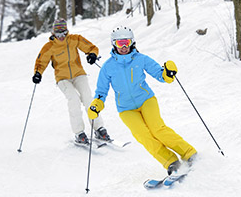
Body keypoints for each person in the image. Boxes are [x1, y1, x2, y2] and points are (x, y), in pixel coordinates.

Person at [87, 26, 197, 175]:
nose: (124, 47)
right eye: (120, 43)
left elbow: (159, 74)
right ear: (114, 44)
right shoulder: (107, 67)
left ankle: (189, 153)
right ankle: (171, 162)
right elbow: (101, 92)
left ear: (132, 42)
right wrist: (96, 105)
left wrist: (168, 74)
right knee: (143, 136)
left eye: (127, 42)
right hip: (126, 109)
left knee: (157, 129)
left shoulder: (141, 59)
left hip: (146, 100)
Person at [32, 18, 110, 145]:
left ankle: (99, 128)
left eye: (64, 33)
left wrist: (92, 55)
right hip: (62, 79)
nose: (61, 37)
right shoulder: (49, 47)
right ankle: (79, 132)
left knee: (88, 99)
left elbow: (91, 47)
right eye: (58, 34)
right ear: (53, 33)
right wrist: (37, 73)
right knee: (73, 100)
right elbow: (41, 62)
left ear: (67, 31)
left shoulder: (74, 39)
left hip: (79, 74)